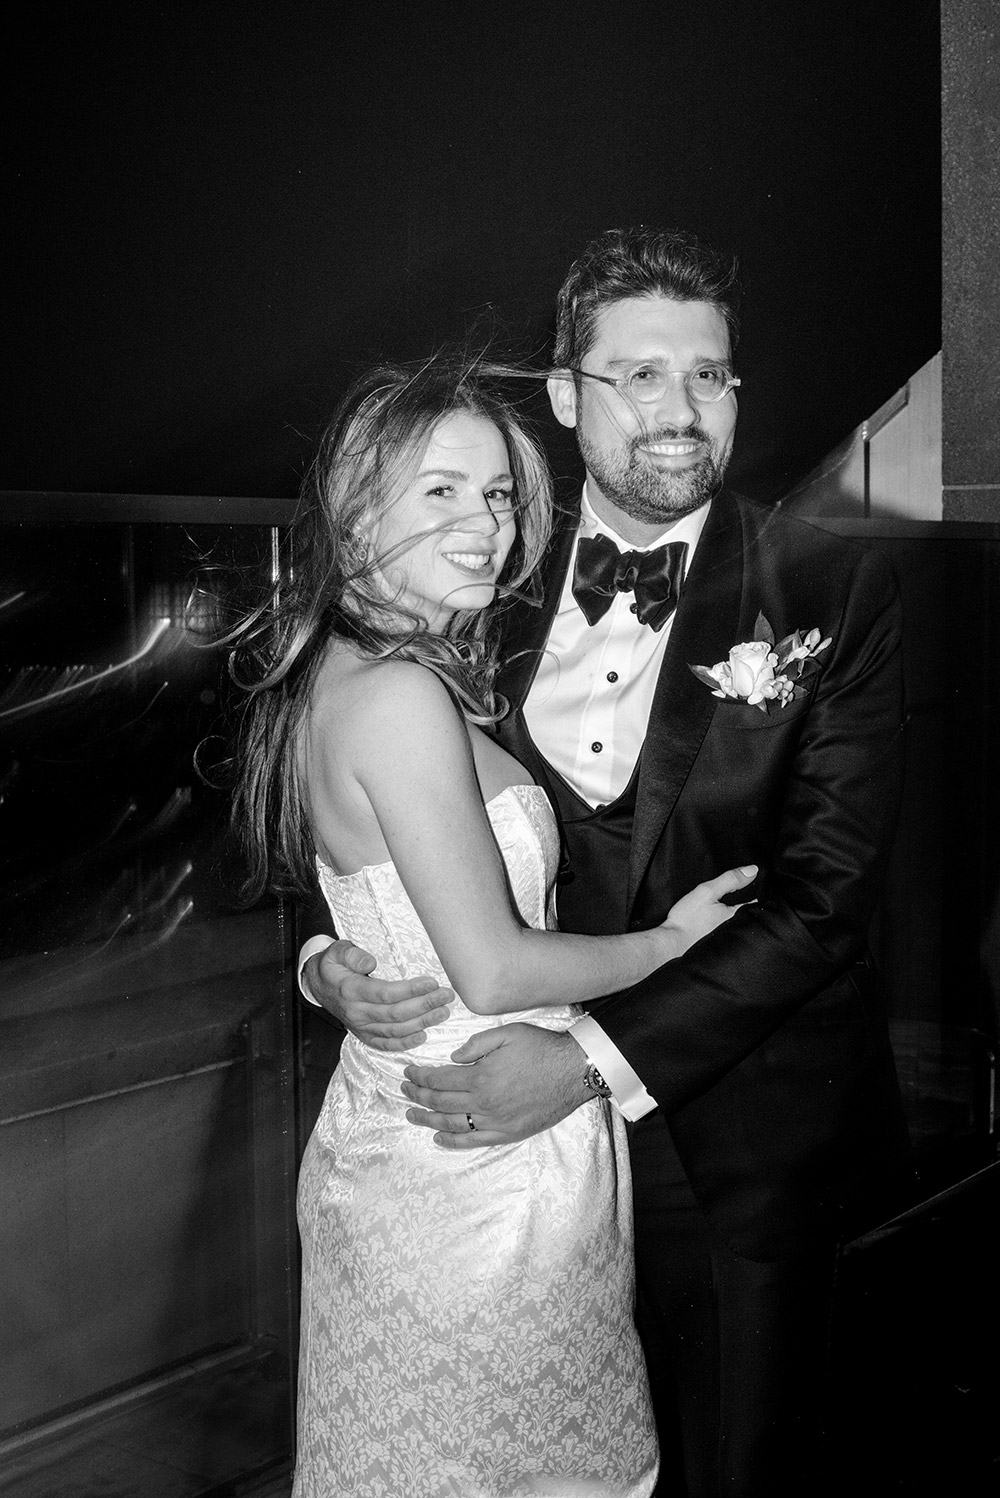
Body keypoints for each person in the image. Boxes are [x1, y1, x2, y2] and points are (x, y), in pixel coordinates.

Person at [302, 231, 912, 1497]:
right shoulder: (480, 575)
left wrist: (586, 1064)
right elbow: (327, 823)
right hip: (500, 1174)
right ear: (570, 399)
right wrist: (324, 965)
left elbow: (823, 902)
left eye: (712, 376)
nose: (682, 410)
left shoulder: (836, 591)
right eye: (639, 375)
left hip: (747, 1148)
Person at [231, 354, 755, 1497]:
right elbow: (495, 960)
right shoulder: (404, 692)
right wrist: (670, 944)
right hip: (478, 1177)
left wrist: (328, 966)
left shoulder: (356, 666)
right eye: (440, 491)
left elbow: (357, 889)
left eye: (499, 494)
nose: (483, 525)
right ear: (357, 503)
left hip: (419, 1142)